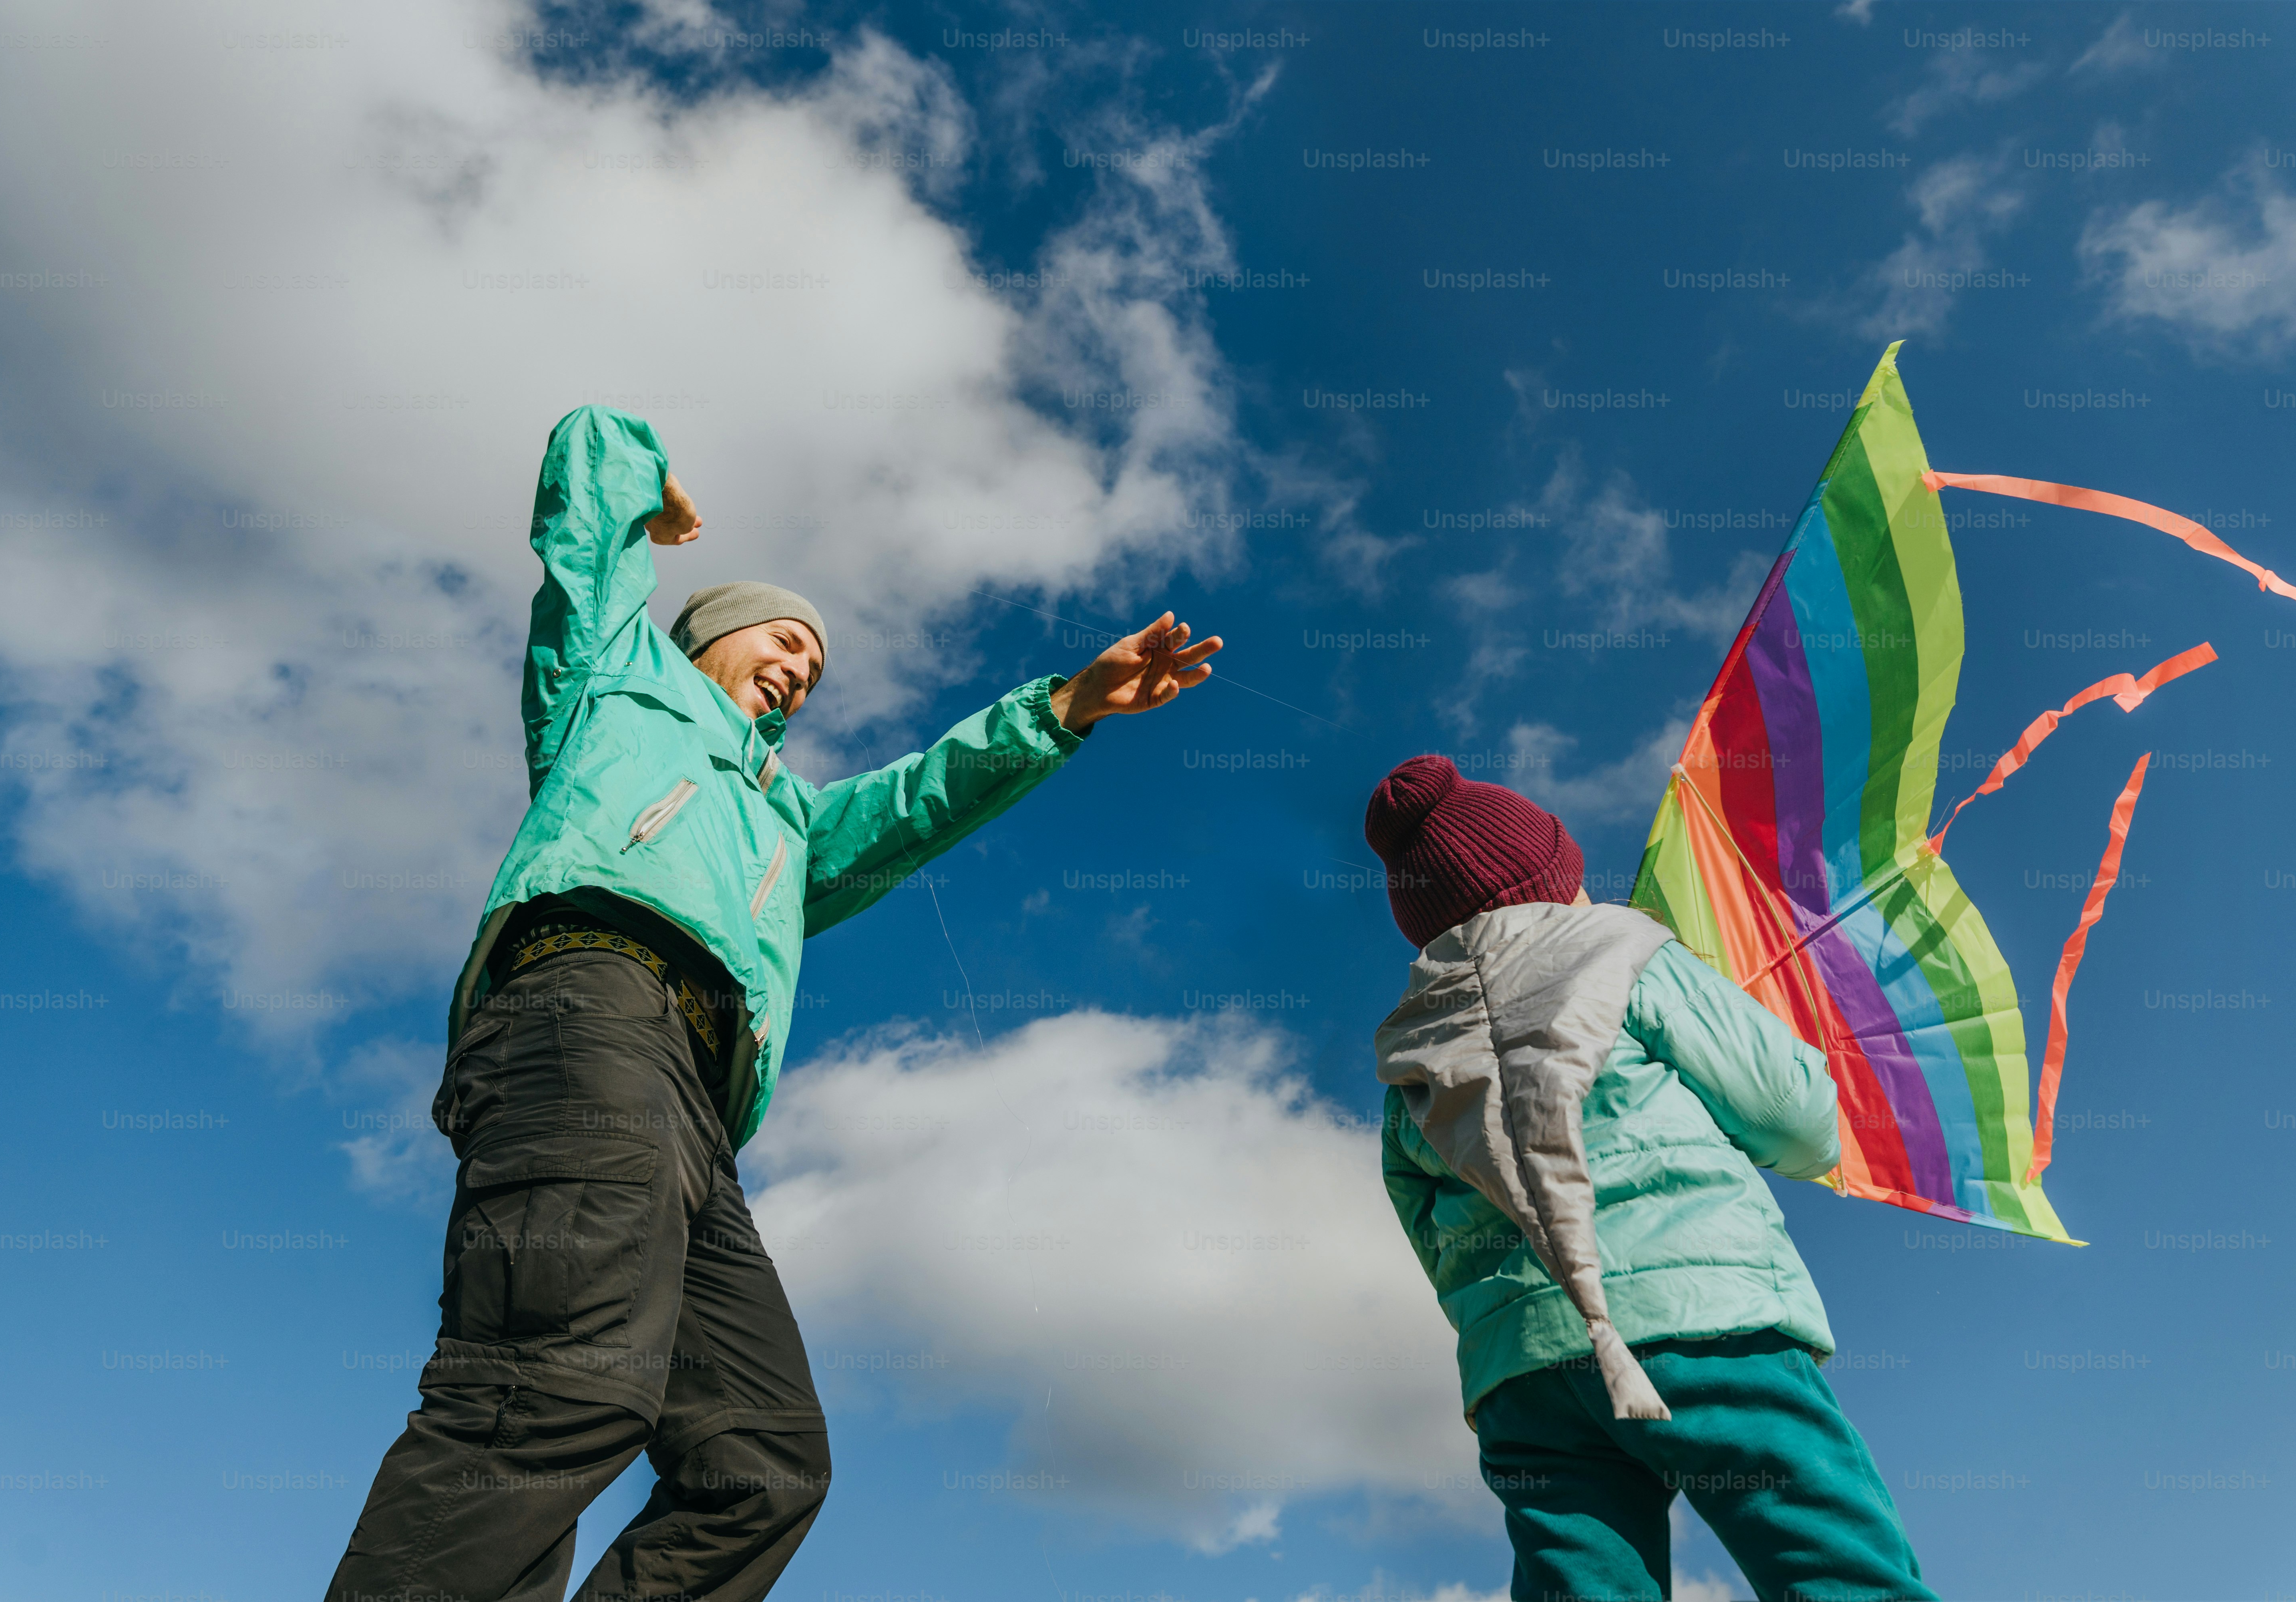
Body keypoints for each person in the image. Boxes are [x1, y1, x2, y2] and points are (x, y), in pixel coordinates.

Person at [328, 405, 1222, 1602]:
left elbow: (915, 804)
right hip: (586, 1007)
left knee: (761, 1464)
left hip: (698, 1111)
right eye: (785, 640)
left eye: (817, 662)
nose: (802, 666)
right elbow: (586, 484)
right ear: (710, 639)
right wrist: (651, 489)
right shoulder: (615, 681)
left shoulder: (792, 827)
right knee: (560, 1380)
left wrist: (1063, 710)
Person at [1365, 755, 1935, 1602]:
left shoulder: (1409, 1050)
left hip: (1524, 1374)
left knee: (1582, 1584)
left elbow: (1428, 1233)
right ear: (1556, 876)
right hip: (1703, 1322)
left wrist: (1518, 1321)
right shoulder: (1625, 948)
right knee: (1829, 1557)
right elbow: (1795, 1116)